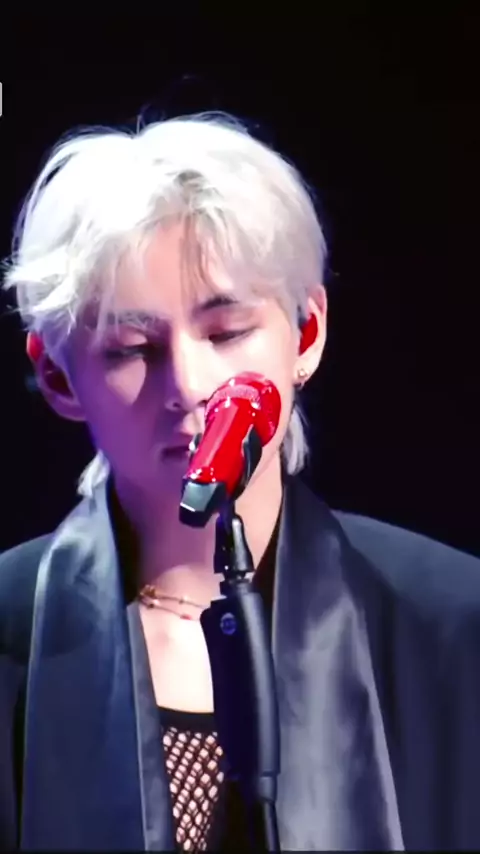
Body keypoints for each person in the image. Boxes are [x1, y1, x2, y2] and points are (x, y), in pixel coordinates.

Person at [1, 111, 480, 853]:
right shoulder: (11, 628)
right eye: (131, 348)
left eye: (226, 332)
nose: (190, 385)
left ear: (306, 334)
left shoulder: (454, 624)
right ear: (59, 378)